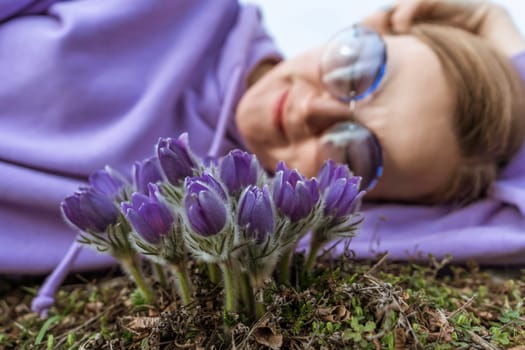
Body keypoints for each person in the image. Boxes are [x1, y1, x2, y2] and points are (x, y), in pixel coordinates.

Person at [1, 0, 524, 280]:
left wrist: (503, 36)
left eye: (355, 151)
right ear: (369, 24)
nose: (310, 110)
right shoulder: (177, 10)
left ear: (370, 204)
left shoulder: (258, 225)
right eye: (359, 67)